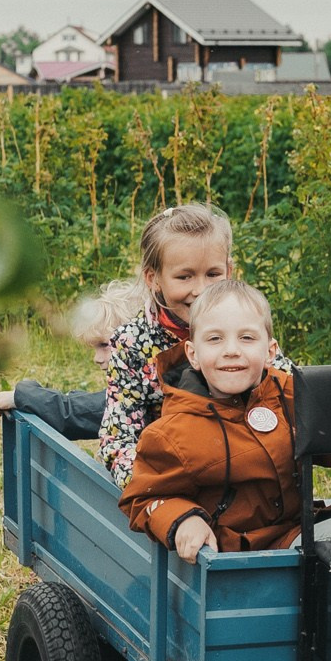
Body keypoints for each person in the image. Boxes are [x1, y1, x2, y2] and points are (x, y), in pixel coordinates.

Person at [120, 280, 331, 555]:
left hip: (300, 526)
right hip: (252, 552)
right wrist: (183, 518)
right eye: (215, 339)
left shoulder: (287, 393)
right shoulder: (173, 433)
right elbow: (142, 497)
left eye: (246, 338)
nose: (231, 350)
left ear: (269, 351)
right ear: (193, 354)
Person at [98, 203, 239, 487]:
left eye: (213, 274)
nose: (201, 291)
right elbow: (118, 439)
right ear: (154, 279)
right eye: (184, 277)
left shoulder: (247, 328)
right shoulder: (133, 343)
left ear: (229, 270)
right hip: (172, 477)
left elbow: (288, 394)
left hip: (243, 470)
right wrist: (157, 489)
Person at [0, 277, 146, 441]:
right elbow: (89, 403)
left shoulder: (146, 390)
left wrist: (21, 397)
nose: (97, 358)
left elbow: (82, 412)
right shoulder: (139, 380)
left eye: (104, 345)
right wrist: (30, 397)